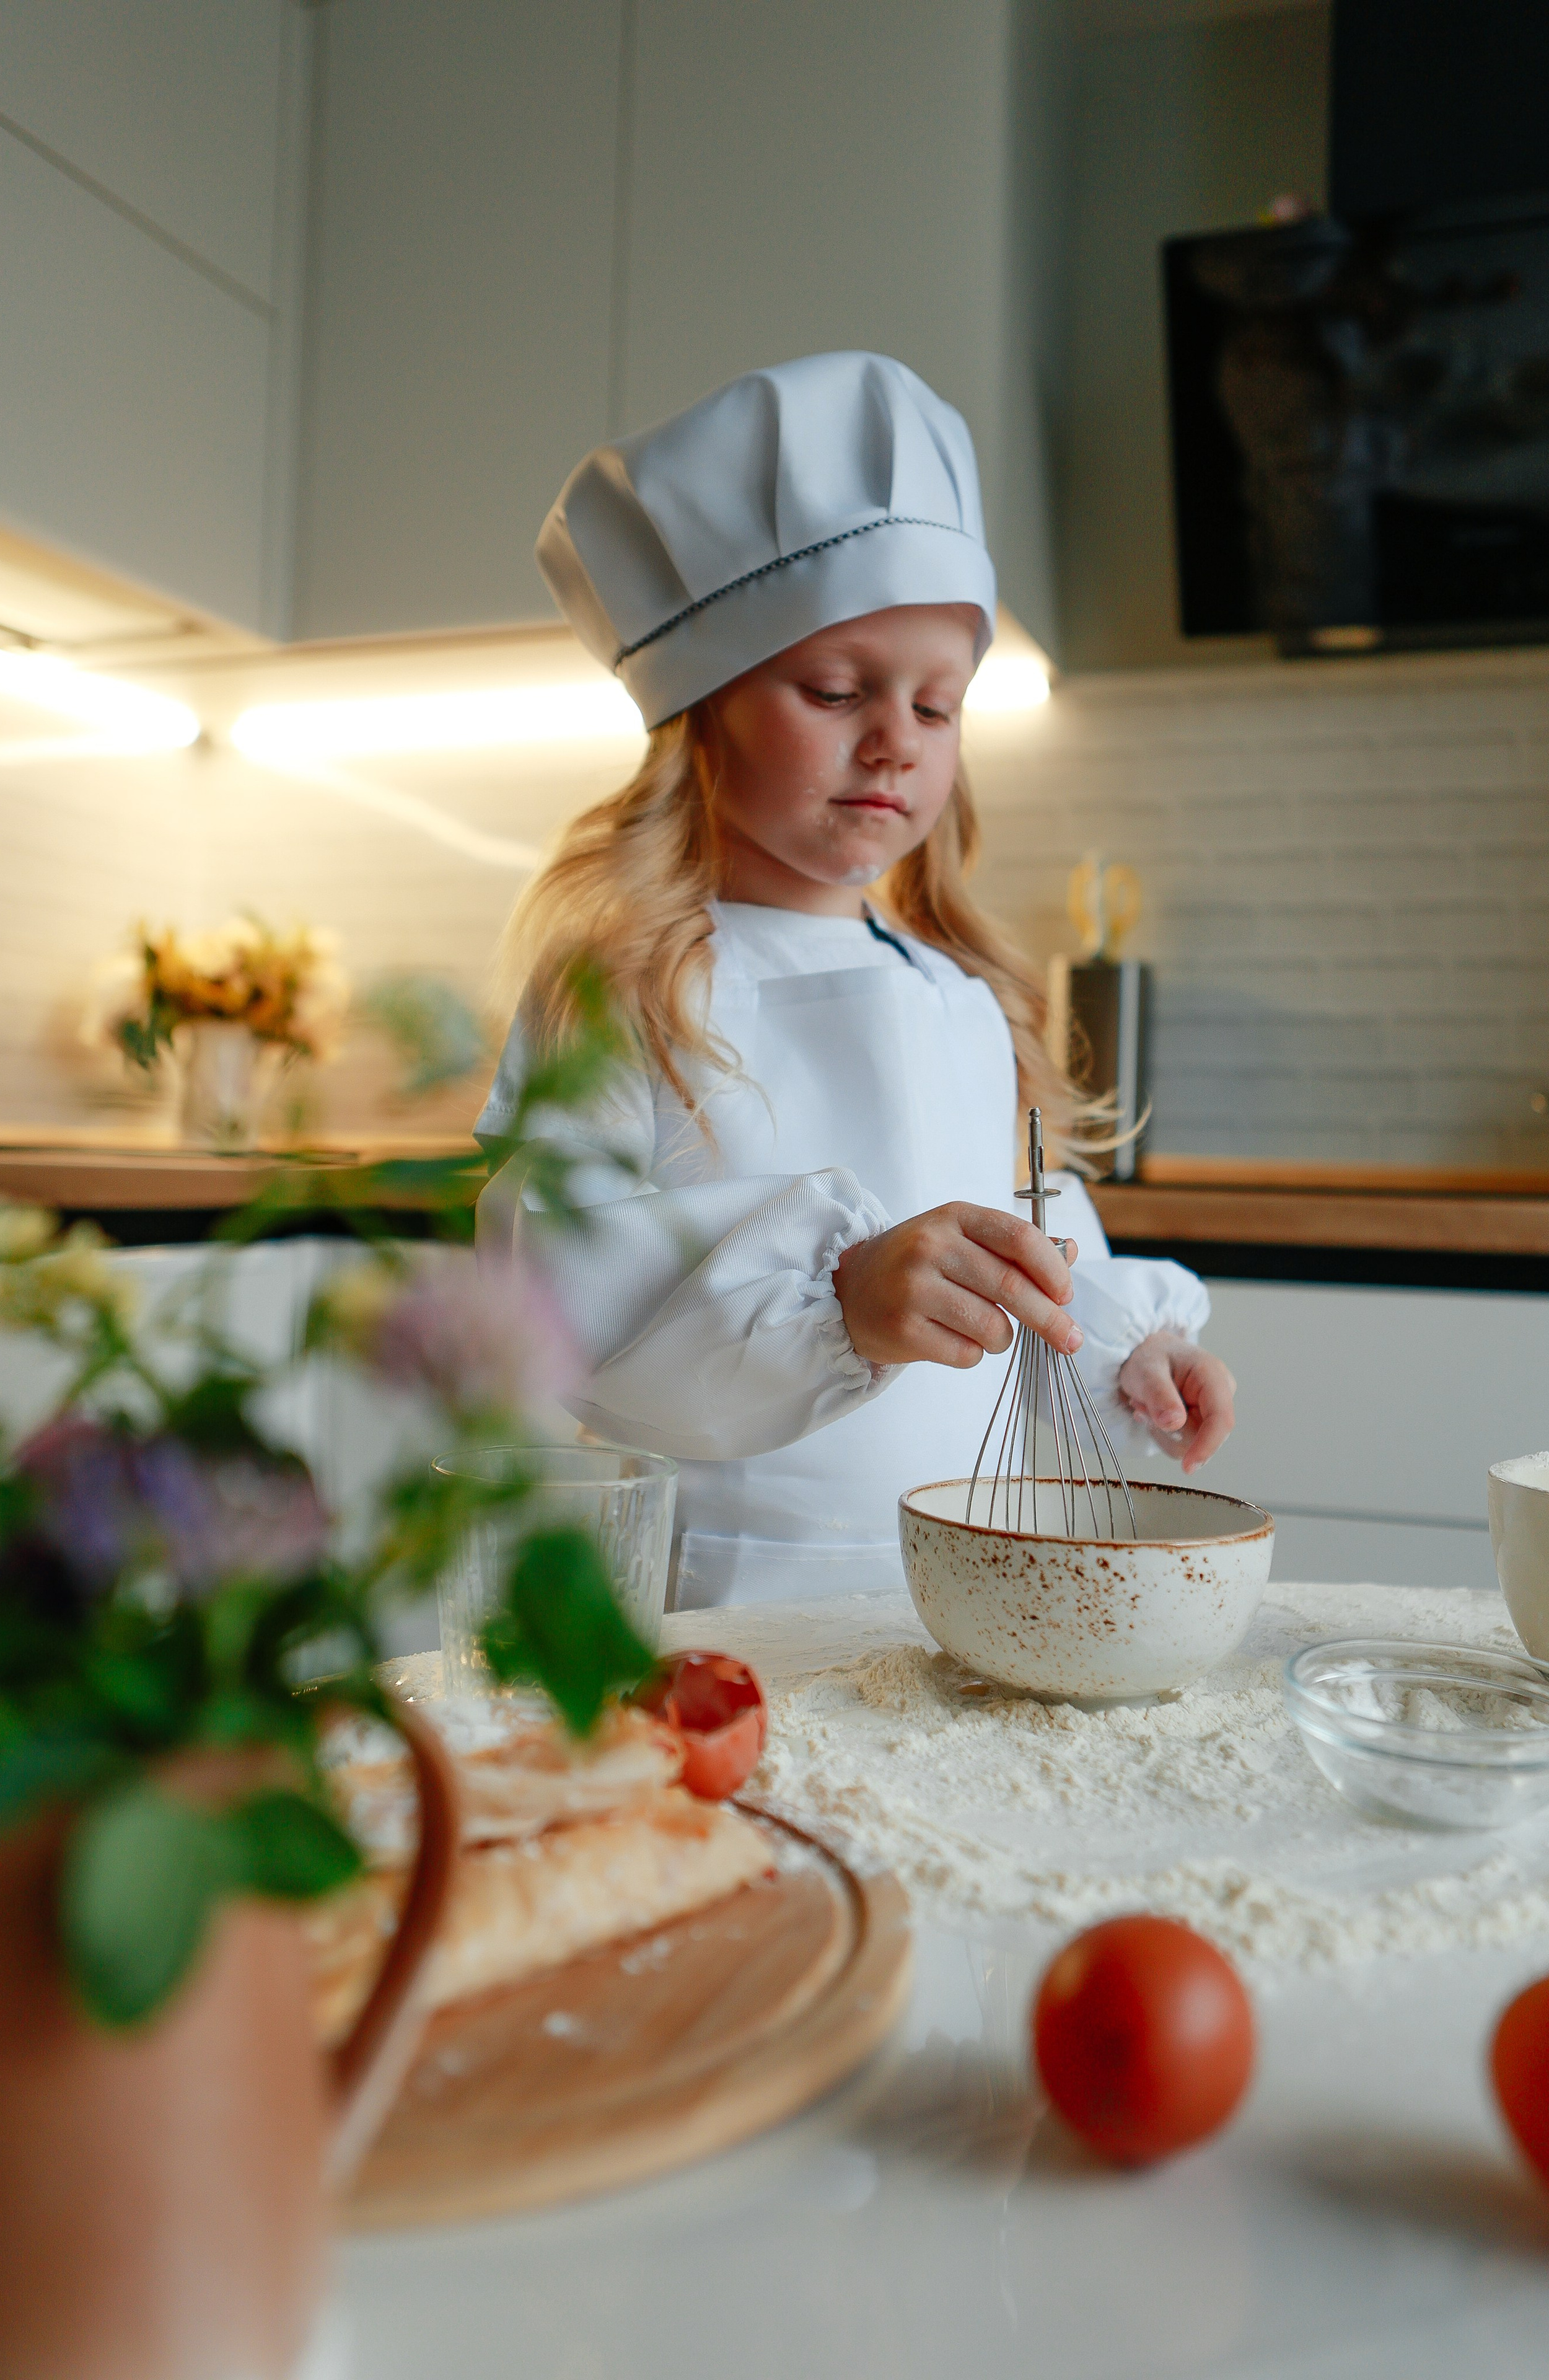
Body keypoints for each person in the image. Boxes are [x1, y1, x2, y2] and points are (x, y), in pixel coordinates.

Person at [476, 352, 1235, 1608]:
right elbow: (558, 1303)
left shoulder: (962, 995)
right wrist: (838, 1301)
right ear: (700, 711)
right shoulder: (626, 992)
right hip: (709, 1595)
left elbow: (1035, 1233)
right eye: (835, 690)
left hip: (952, 1583)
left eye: (937, 709)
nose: (893, 739)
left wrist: (1127, 1345)